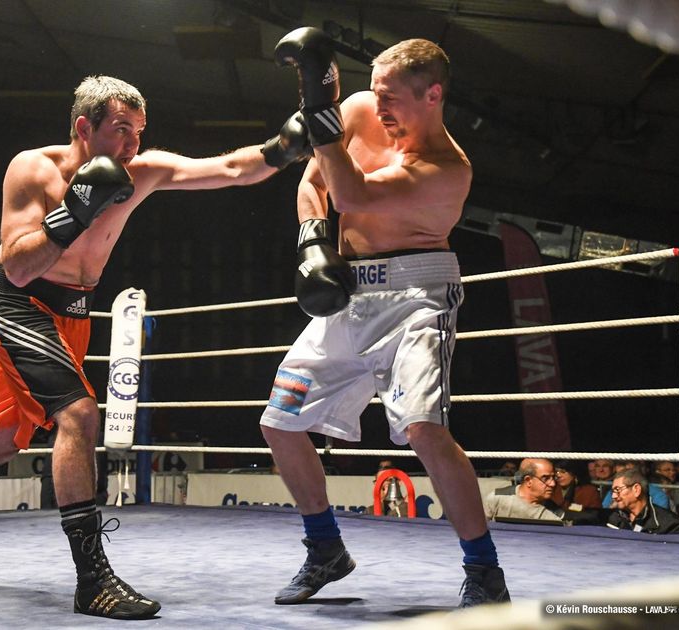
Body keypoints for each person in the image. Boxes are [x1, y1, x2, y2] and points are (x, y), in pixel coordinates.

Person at [0, 74, 311, 620]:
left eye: (139, 133)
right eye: (121, 130)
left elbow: (235, 169)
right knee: (78, 414)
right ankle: (92, 579)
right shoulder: (33, 169)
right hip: (18, 305)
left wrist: (285, 147)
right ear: (83, 127)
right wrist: (75, 211)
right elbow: (21, 267)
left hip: (74, 315)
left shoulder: (141, 173)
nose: (132, 145)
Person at [260, 28, 508, 607]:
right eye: (374, 92)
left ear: (433, 95)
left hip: (417, 296)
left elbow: (349, 193)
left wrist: (316, 109)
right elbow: (312, 184)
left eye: (392, 96)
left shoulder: (448, 168)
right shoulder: (360, 109)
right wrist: (312, 244)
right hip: (350, 292)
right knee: (280, 422)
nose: (379, 107)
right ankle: (325, 549)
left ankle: (484, 572)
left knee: (423, 429)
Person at [606, 468, 679, 534]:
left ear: (636, 489)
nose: (614, 496)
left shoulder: (670, 524)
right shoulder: (615, 518)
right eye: (613, 491)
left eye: (617, 490)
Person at [484, 459, 564, 523]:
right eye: (545, 478)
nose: (553, 484)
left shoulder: (556, 515)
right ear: (528, 480)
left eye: (553, 478)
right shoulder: (497, 498)